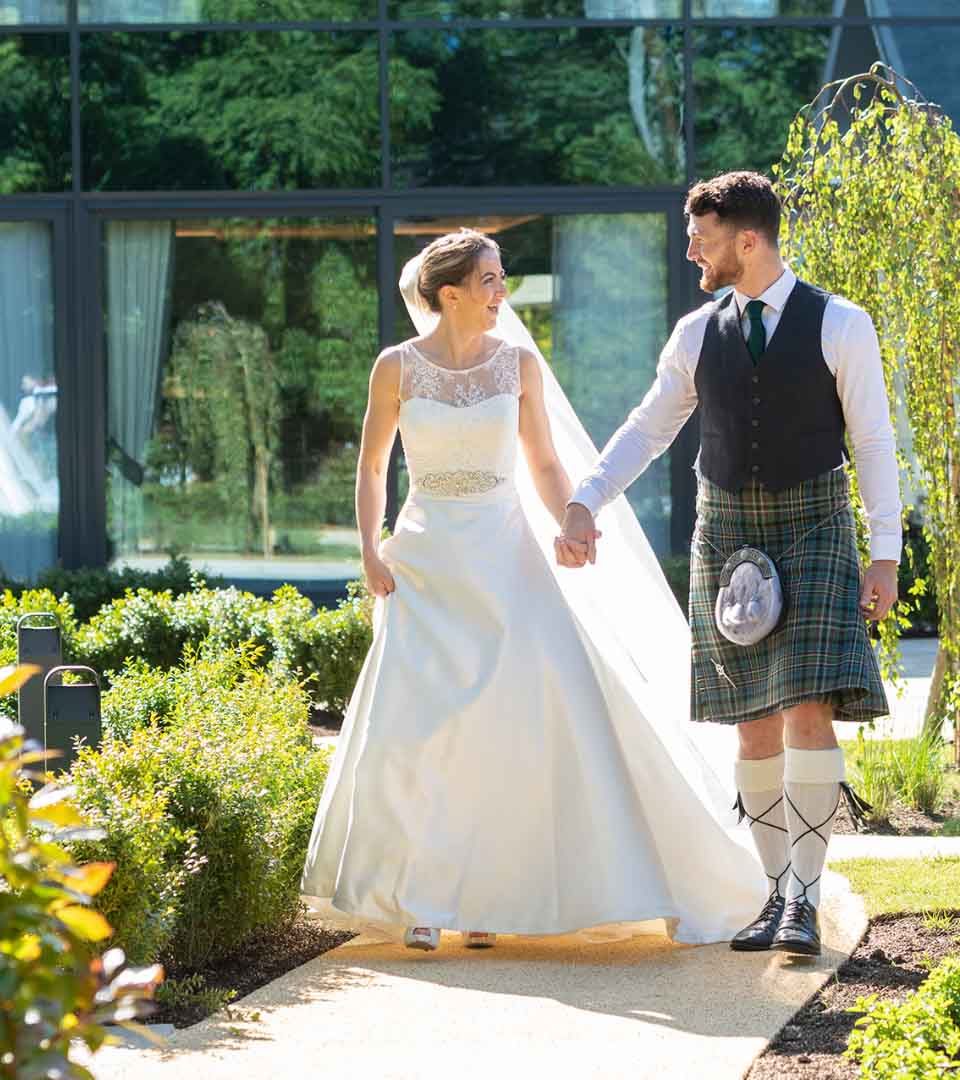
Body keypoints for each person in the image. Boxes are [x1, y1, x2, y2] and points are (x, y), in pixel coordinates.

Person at [301, 228, 767, 951]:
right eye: (489, 280)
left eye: (500, 277)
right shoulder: (395, 368)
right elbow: (370, 468)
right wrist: (369, 548)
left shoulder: (517, 365)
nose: (501, 293)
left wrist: (573, 523)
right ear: (448, 293)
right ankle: (422, 898)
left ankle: (488, 899)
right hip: (423, 564)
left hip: (505, 557)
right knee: (418, 733)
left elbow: (545, 463)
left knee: (512, 730)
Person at [559, 172, 901, 957]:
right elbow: (650, 427)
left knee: (807, 710)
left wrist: (885, 555)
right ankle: (776, 892)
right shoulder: (692, 333)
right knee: (750, 727)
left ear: (748, 241)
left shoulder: (840, 324)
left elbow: (874, 442)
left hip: (814, 526)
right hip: (728, 532)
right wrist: (587, 499)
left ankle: (807, 903)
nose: (691, 252)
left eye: (702, 239)